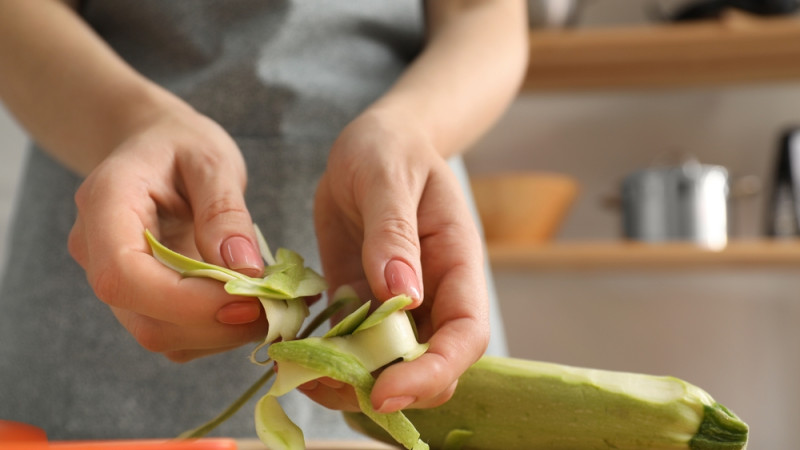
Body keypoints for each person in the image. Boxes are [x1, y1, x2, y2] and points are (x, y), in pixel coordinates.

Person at [0, 0, 529, 441]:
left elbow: (482, 14)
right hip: (122, 206)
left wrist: (408, 130)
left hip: (402, 197)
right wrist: (129, 122)